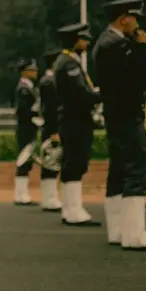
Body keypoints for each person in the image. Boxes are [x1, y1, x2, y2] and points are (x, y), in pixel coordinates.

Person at [93, 0, 146, 251]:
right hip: (126, 114)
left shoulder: (107, 42)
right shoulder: (117, 44)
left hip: (117, 114)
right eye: (135, 19)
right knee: (136, 170)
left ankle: (118, 231)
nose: (137, 25)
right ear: (124, 18)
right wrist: (143, 49)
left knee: (119, 171)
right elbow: (136, 77)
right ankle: (135, 235)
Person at [53, 22, 102, 227]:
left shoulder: (66, 61)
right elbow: (80, 94)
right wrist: (101, 94)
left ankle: (71, 209)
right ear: (74, 40)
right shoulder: (69, 63)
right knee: (76, 164)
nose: (86, 42)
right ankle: (73, 211)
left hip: (73, 119)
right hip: (76, 120)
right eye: (83, 39)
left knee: (73, 164)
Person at [38, 49, 63, 212]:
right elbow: (50, 109)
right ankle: (49, 198)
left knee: (54, 163)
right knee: (50, 163)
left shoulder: (52, 80)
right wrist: (53, 130)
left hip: (54, 125)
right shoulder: (49, 81)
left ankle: (51, 197)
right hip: (52, 126)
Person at [13, 59, 40, 206]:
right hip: (26, 127)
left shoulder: (29, 87)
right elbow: (24, 110)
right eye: (32, 70)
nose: (35, 72)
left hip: (29, 127)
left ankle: (22, 192)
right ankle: (20, 194)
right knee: (23, 159)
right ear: (24, 72)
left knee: (27, 160)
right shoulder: (24, 88)